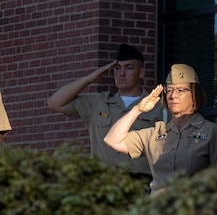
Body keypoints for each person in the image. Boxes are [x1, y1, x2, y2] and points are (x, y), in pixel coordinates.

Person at [104, 64, 217, 196]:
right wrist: (138, 109)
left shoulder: (210, 132)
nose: (172, 96)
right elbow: (112, 140)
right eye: (169, 90)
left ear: (194, 94)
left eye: (180, 90)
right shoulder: (155, 133)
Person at [47, 43, 164, 180]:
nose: (121, 73)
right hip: (103, 181)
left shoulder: (158, 106)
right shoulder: (99, 102)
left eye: (129, 68)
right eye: (117, 68)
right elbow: (54, 103)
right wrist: (90, 78)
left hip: (141, 183)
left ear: (141, 72)